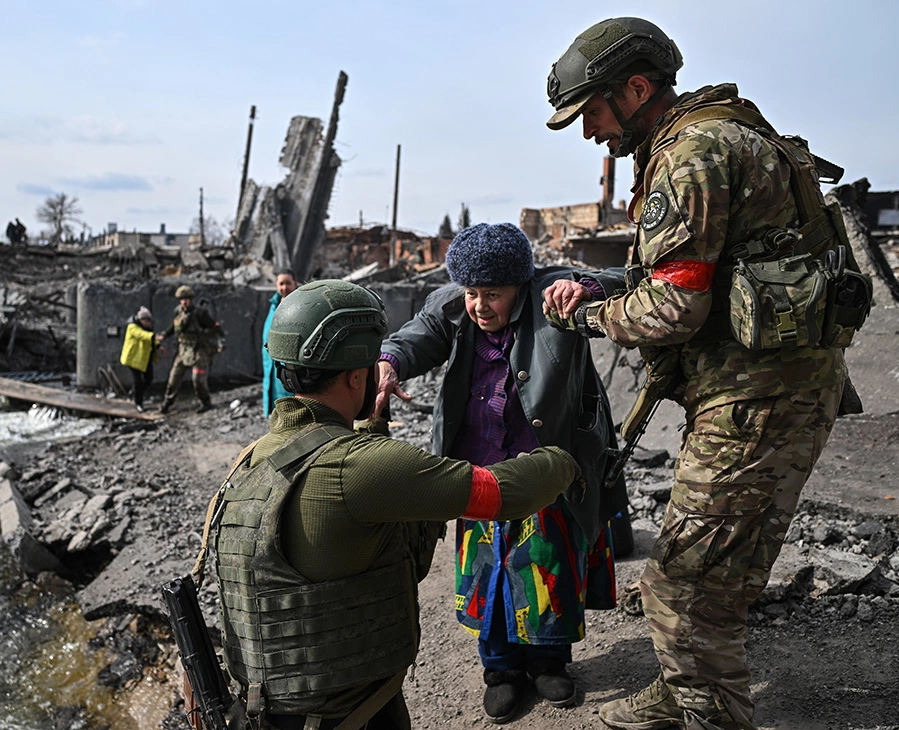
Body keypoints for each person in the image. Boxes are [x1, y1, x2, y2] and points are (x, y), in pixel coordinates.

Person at [543, 17, 852, 730]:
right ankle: (680, 691)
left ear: (638, 88)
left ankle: (711, 712)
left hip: (756, 400)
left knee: (684, 584)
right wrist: (612, 289)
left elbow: (675, 311)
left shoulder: (691, 154)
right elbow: (703, 274)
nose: (590, 132)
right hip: (779, 389)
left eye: (590, 111)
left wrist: (585, 317)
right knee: (723, 571)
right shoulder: (724, 131)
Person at [213, 279, 587, 729]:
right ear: (357, 376)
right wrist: (565, 459)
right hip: (354, 714)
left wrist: (370, 424)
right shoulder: (362, 468)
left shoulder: (251, 460)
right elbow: (498, 493)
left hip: (265, 708)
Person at [374, 222, 627, 722]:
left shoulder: (554, 295)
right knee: (487, 571)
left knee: (547, 568)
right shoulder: (452, 305)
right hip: (478, 470)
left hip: (548, 469)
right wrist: (389, 360)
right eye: (472, 293)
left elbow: (629, 276)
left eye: (493, 294)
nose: (480, 306)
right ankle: (502, 670)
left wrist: (589, 289)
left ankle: (549, 661)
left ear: (521, 286)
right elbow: (416, 337)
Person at [159, 285, 224, 414]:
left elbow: (215, 327)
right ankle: (167, 402)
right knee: (173, 378)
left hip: (198, 350)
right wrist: (164, 335)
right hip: (183, 350)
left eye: (187, 299)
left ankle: (206, 402)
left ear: (191, 299)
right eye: (182, 299)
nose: (184, 301)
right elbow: (174, 325)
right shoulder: (178, 311)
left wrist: (221, 342)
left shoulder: (200, 313)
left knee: (198, 379)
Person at [262, 268, 299, 417]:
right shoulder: (274, 305)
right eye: (281, 283)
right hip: (271, 367)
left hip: (291, 367)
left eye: (288, 283)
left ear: (295, 283)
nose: (284, 288)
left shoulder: (301, 306)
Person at [119, 306, 162, 411]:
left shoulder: (147, 327)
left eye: (149, 320)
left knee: (149, 378)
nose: (148, 322)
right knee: (137, 380)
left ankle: (136, 393)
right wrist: (153, 337)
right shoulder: (132, 327)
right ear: (141, 319)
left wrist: (158, 345)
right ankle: (138, 402)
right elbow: (142, 335)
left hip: (144, 358)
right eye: (146, 320)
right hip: (133, 358)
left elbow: (148, 338)